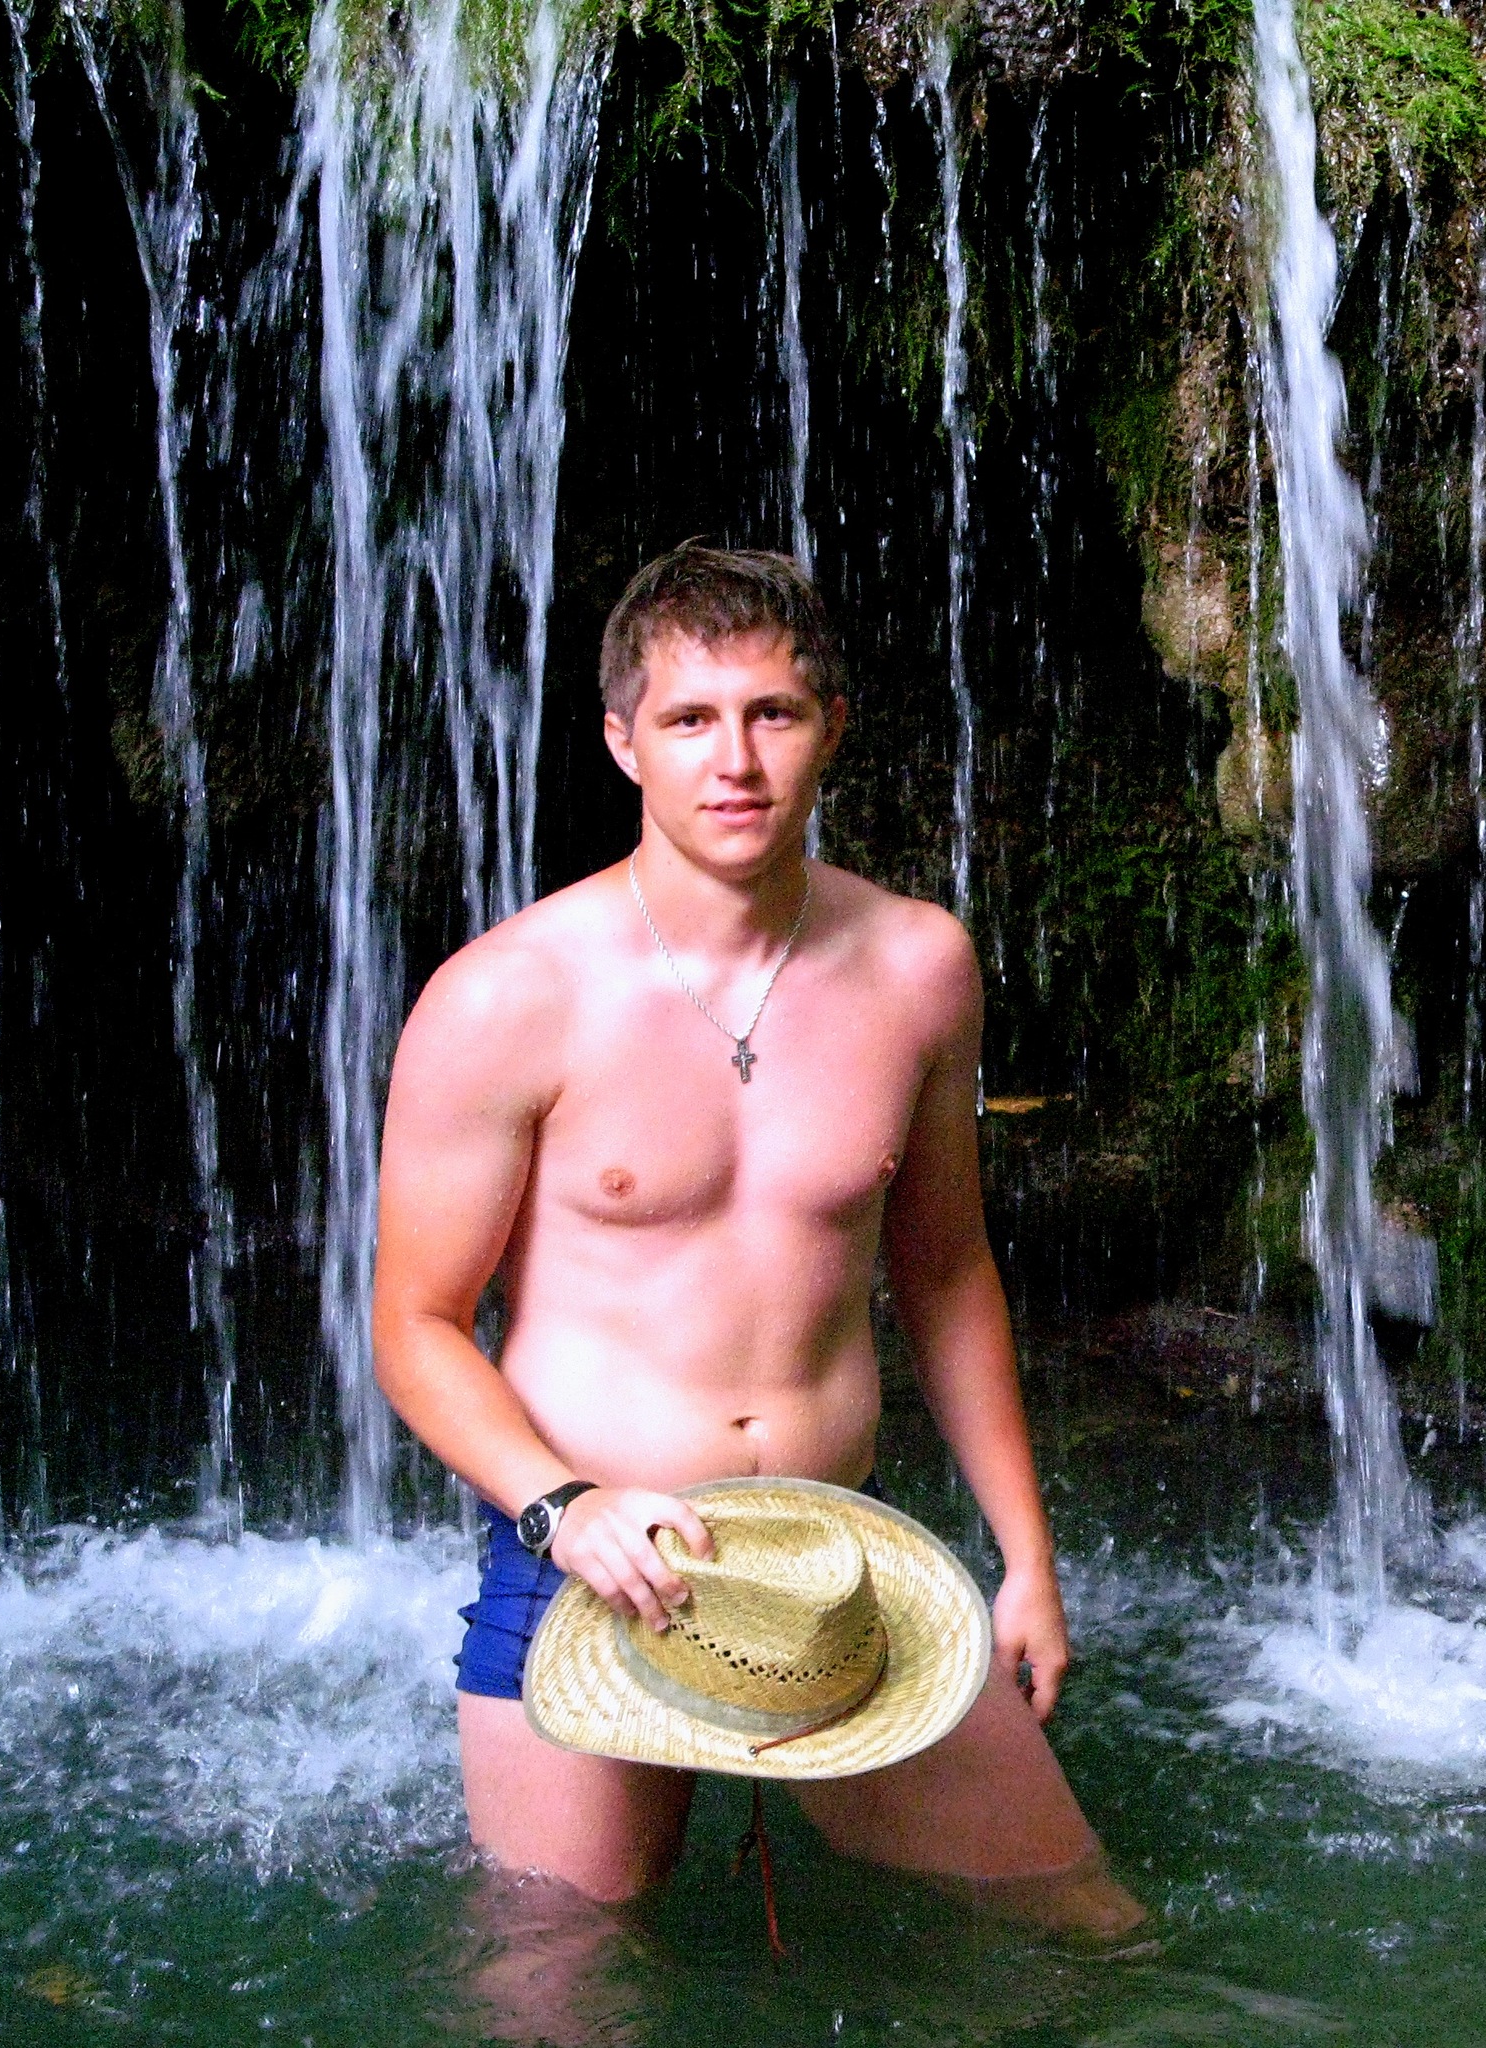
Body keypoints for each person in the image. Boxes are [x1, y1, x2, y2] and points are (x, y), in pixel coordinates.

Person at [371, 543, 1144, 1935]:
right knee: (560, 1987)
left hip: (829, 1562)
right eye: (689, 719)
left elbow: (946, 1272)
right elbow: (413, 1325)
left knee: (1088, 1937)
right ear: (624, 741)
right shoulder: (506, 997)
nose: (733, 761)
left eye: (771, 714)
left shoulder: (917, 966)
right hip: (587, 1560)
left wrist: (1025, 1555)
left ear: (831, 727)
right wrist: (561, 1506)